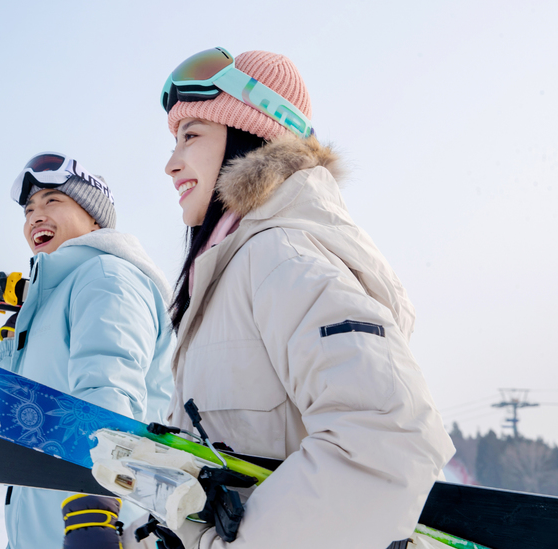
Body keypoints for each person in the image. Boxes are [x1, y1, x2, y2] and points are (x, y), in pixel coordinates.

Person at [139, 48, 455, 548]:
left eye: (191, 136)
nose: (170, 163)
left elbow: (386, 437)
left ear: (249, 135)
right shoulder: (230, 272)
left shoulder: (279, 256)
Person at [0, 152, 176, 549]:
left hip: (104, 526)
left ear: (94, 218)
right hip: (47, 532)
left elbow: (109, 389)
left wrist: (93, 511)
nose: (36, 217)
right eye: (29, 210)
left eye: (52, 201)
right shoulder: (52, 302)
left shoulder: (107, 276)